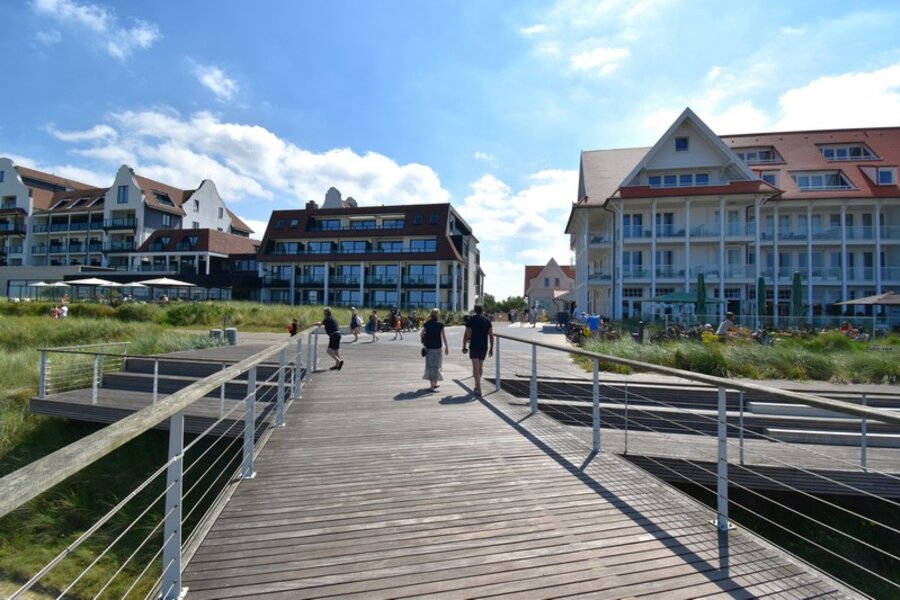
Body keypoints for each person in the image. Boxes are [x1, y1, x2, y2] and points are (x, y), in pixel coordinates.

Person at [463, 304, 494, 396]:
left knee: (475, 368)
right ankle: (477, 385)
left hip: (474, 346)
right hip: (483, 346)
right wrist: (491, 348)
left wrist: (464, 346)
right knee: (480, 367)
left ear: (475, 310)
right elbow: (491, 335)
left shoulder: (471, 320)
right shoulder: (487, 321)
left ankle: (479, 388)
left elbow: (466, 334)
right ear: (482, 310)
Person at [421, 308, 449, 392]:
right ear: (438, 314)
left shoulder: (427, 324)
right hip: (438, 348)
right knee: (437, 365)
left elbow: (421, 334)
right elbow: (444, 336)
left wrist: (425, 337)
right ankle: (435, 384)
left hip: (429, 347)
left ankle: (432, 386)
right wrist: (447, 347)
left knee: (430, 366)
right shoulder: (440, 324)